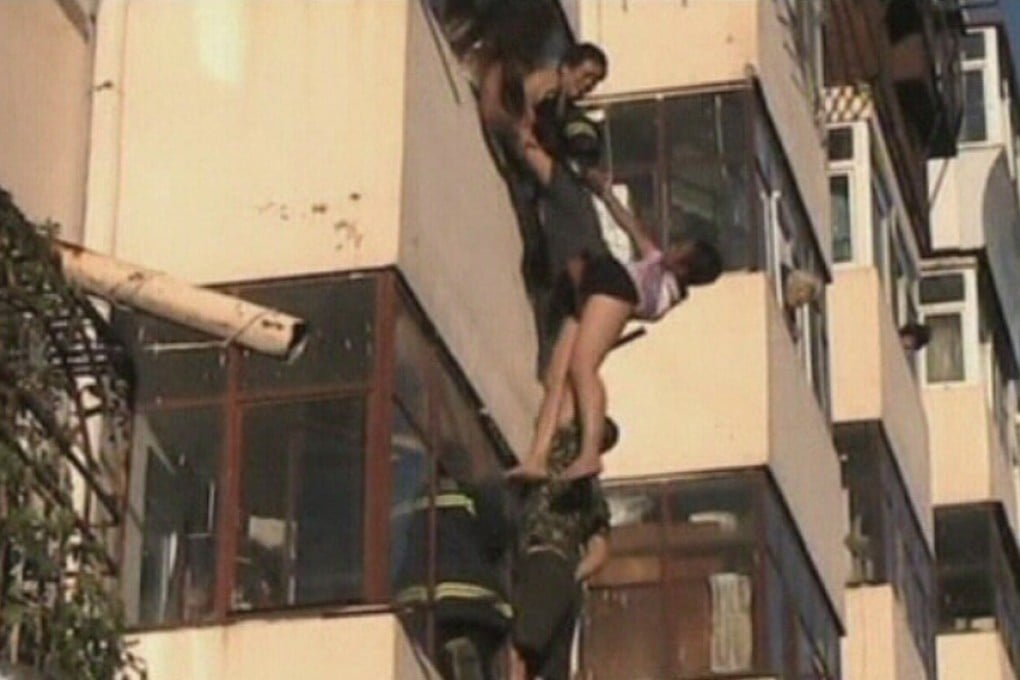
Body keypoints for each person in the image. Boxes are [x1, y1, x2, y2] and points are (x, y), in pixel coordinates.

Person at [508, 159, 724, 482]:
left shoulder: (665, 291)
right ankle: (537, 457)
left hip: (613, 286)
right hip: (602, 283)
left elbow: (640, 293)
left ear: (685, 268)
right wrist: (606, 195)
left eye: (679, 249)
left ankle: (589, 454)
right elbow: (634, 229)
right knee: (557, 378)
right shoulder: (658, 265)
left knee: (582, 367)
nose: (671, 248)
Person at [394, 458, 513, 680]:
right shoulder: (475, 495)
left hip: (420, 602)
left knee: (433, 664)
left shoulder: (414, 501)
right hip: (473, 602)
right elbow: (497, 539)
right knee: (478, 660)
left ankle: (453, 660)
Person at [511, 425, 612, 680]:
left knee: (523, 644)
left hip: (544, 561)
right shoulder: (593, 492)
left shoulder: (558, 464)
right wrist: (571, 576)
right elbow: (599, 550)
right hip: (559, 571)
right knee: (550, 664)